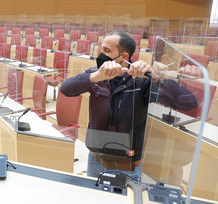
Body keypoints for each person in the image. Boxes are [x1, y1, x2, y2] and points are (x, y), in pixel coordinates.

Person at [60, 30, 197, 180]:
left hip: (127, 168)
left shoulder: (142, 82)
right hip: (95, 161)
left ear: (124, 56)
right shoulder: (96, 74)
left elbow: (188, 102)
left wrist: (158, 78)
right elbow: (66, 88)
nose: (101, 55)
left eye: (106, 50)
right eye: (101, 49)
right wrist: (97, 76)